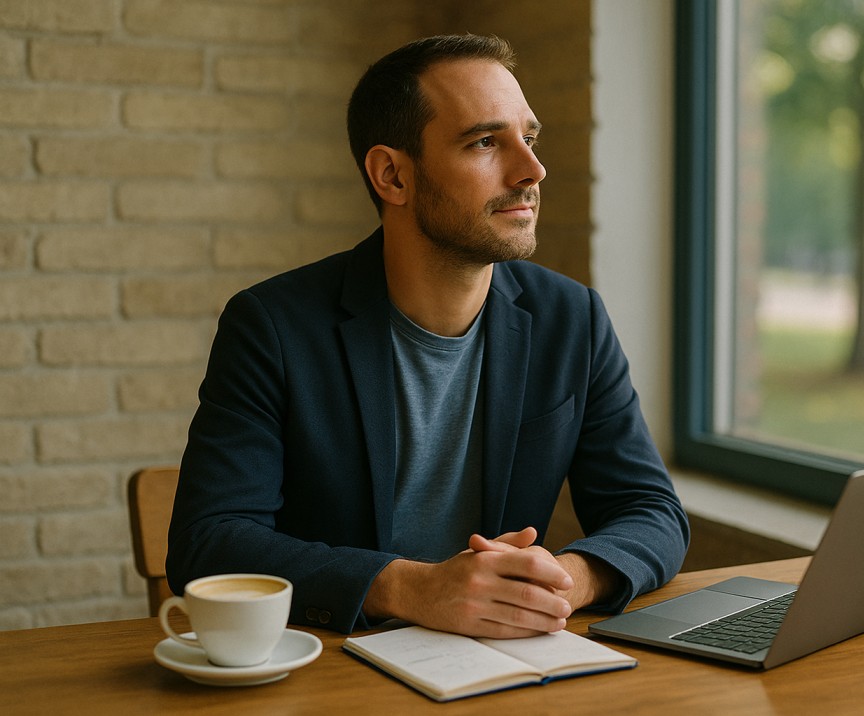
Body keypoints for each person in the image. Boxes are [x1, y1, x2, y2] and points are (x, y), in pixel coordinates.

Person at [166, 34, 689, 638]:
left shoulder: (573, 318)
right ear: (392, 174)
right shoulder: (273, 326)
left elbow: (651, 512)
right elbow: (209, 542)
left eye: (530, 138)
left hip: (503, 661)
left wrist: (561, 579)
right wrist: (411, 587)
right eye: (486, 142)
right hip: (336, 666)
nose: (532, 170)